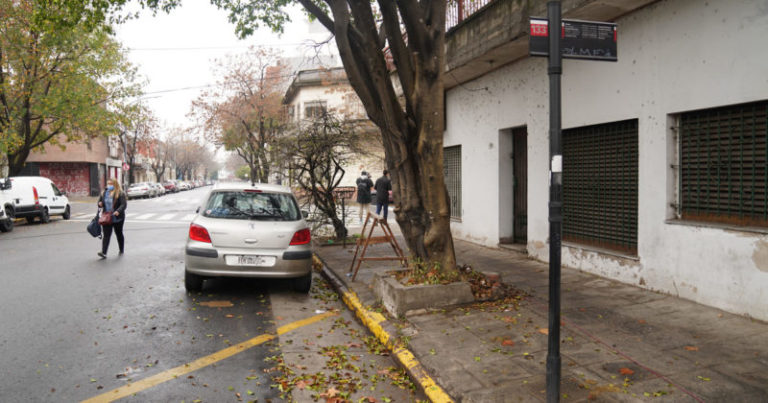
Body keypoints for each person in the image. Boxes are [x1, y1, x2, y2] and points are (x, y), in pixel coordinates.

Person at [97, 178, 127, 258]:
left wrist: (118, 211)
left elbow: (123, 204)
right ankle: (104, 252)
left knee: (119, 233)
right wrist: (100, 204)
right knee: (106, 235)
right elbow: (99, 202)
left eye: (111, 184)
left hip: (117, 217)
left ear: (115, 184)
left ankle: (121, 249)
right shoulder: (104, 193)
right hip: (107, 217)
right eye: (108, 184)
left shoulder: (120, 193)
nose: (109, 185)